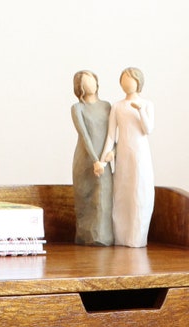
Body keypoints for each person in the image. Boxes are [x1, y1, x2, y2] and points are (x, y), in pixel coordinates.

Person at [101, 67, 154, 247]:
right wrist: (103, 159)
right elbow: (110, 135)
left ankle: (137, 237)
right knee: (122, 192)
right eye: (123, 78)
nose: (126, 82)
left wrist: (140, 111)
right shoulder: (117, 106)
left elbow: (147, 129)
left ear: (138, 81)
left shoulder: (146, 104)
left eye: (130, 78)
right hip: (122, 154)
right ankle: (121, 236)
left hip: (140, 154)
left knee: (140, 190)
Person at [70, 70, 114, 246]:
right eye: (86, 82)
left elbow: (113, 134)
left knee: (103, 198)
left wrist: (111, 153)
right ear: (80, 87)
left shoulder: (107, 106)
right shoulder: (77, 108)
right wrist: (95, 160)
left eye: (92, 80)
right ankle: (85, 236)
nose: (91, 85)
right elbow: (84, 136)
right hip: (86, 160)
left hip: (104, 160)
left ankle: (103, 236)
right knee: (85, 200)